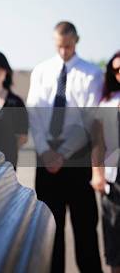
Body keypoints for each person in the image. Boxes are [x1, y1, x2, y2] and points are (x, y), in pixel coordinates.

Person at [26, 21, 103, 273]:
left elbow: (89, 119)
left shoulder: (92, 74)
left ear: (76, 40)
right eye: (59, 46)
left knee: (85, 229)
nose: (63, 52)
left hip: (77, 161)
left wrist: (63, 154)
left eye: (68, 46)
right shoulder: (41, 71)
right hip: (45, 159)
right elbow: (33, 114)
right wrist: (46, 151)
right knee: (50, 229)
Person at [90, 51, 120, 273]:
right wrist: (97, 174)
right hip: (114, 177)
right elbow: (98, 142)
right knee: (114, 238)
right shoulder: (108, 103)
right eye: (117, 70)